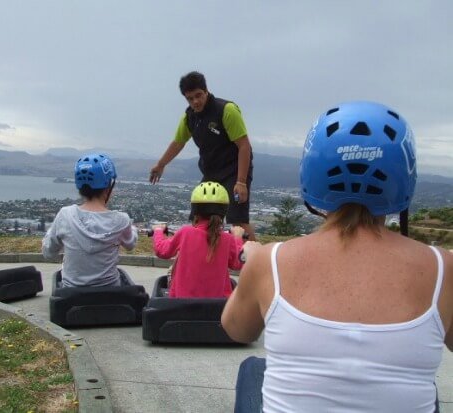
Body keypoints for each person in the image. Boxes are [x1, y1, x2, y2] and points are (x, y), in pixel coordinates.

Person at [221, 101, 453, 412]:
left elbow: (238, 329)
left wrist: (252, 260)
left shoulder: (269, 261)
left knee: (254, 368)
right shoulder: (442, 268)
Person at [149, 71, 256, 240]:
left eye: (198, 95)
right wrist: (161, 164)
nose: (195, 102)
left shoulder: (226, 110)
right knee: (199, 218)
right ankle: (202, 260)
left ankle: (258, 262)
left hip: (235, 171)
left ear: (206, 91)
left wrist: (241, 182)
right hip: (211, 172)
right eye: (190, 98)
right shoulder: (189, 117)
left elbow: (244, 146)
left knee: (238, 221)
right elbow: (178, 142)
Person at [42, 153, 138, 288]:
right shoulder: (121, 220)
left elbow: (48, 252)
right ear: (108, 186)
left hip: (71, 296)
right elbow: (130, 244)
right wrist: (132, 228)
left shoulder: (65, 215)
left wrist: (52, 232)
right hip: (111, 294)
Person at [152, 181, 245, 298]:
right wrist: (237, 238)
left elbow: (162, 250)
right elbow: (237, 263)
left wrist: (158, 231)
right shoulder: (228, 239)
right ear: (223, 211)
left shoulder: (185, 232)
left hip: (181, 304)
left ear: (195, 211)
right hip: (216, 306)